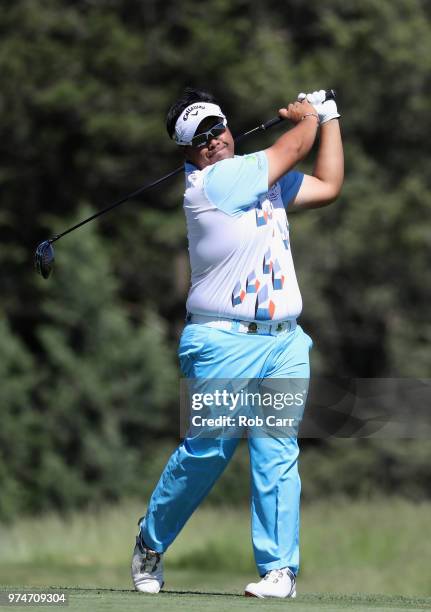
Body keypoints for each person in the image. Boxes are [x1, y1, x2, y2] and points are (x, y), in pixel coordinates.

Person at [131, 87, 344, 598]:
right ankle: (150, 541)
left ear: (228, 126)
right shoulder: (214, 183)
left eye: (216, 128)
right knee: (208, 451)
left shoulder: (259, 179)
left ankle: (279, 571)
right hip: (221, 342)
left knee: (277, 450)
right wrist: (308, 116)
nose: (212, 140)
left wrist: (330, 117)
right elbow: (294, 147)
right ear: (187, 152)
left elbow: (330, 185)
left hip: (284, 341)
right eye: (198, 137)